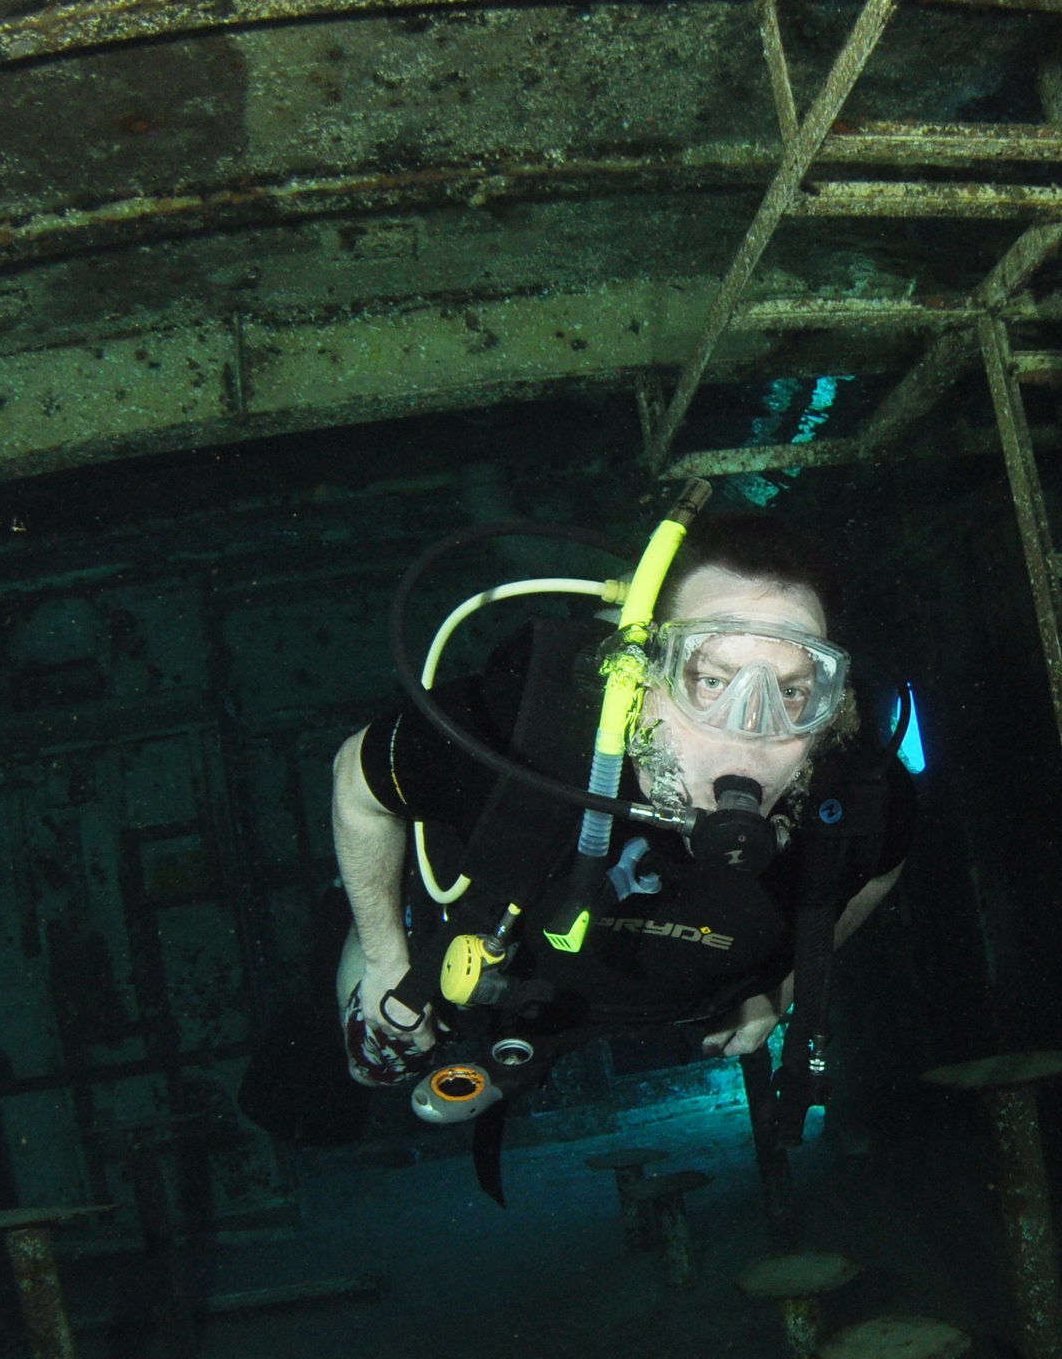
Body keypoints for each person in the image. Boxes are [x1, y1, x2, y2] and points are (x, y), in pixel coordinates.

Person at [329, 509, 913, 1195]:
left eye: (791, 691)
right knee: (368, 1069)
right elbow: (354, 778)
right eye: (712, 680)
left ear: (831, 702)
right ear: (641, 668)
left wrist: (779, 988)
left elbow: (883, 863)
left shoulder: (855, 793)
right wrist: (382, 956)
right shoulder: (515, 732)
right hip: (495, 981)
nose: (750, 735)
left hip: (677, 1000)